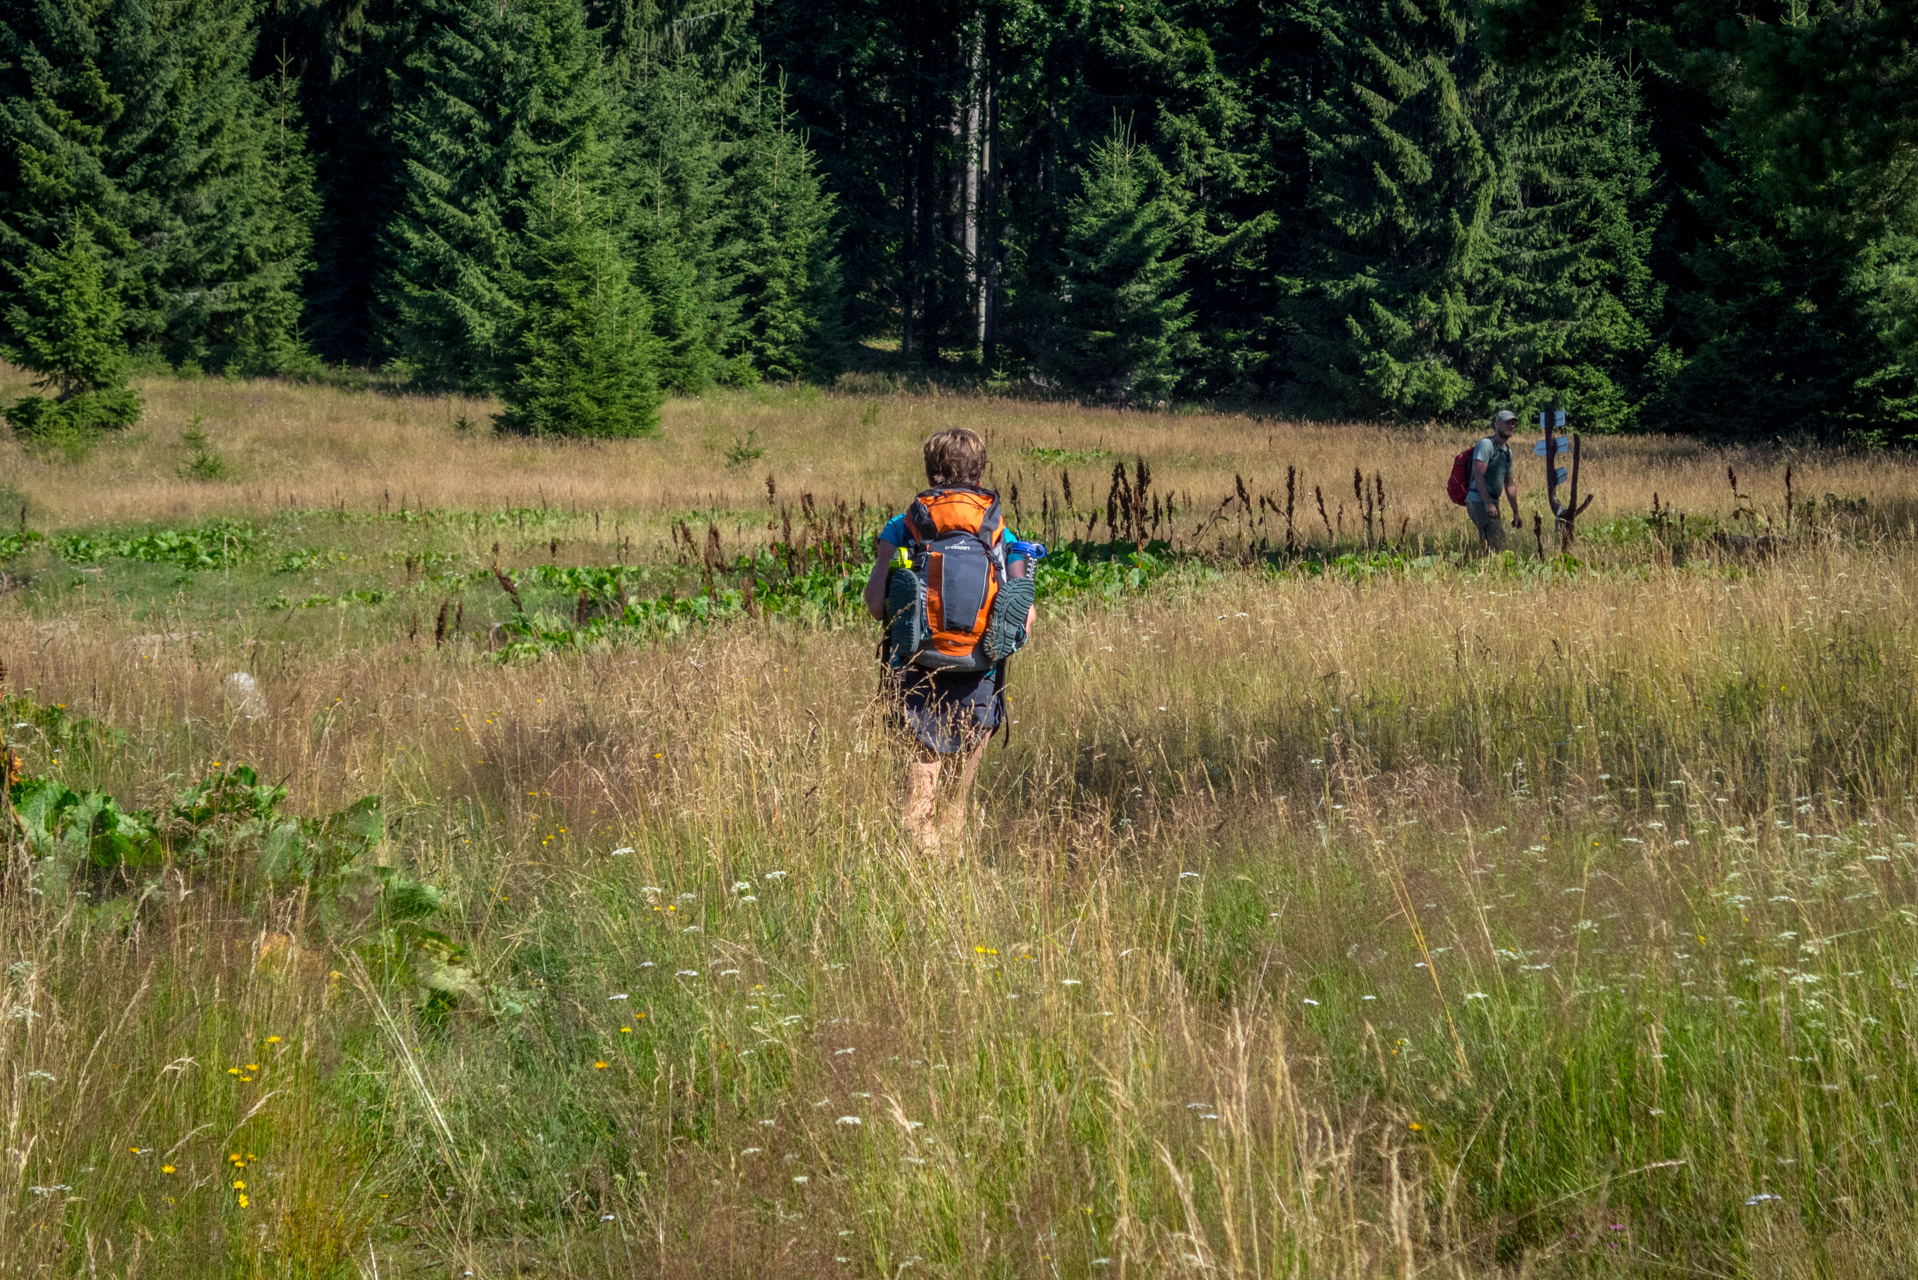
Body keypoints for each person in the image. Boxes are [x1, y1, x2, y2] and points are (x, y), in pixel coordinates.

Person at [862, 428, 1036, 856]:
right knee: (955, 804)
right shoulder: (998, 531)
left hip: (916, 667)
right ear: (979, 475)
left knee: (918, 800)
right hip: (980, 671)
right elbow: (1025, 617)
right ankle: (952, 877)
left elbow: (874, 605)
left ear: (930, 470)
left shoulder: (901, 526)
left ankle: (922, 883)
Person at [1467, 409, 1522, 552]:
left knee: (1492, 544)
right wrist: (1487, 503)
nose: (1511, 426)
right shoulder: (1486, 445)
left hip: (1491, 502)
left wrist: (1515, 512)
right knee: (1496, 543)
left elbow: (1509, 484)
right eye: (1507, 423)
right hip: (1478, 500)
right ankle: (1482, 568)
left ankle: (1478, 566)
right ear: (1496, 424)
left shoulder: (1507, 452)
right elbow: (1478, 475)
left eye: (1513, 423)